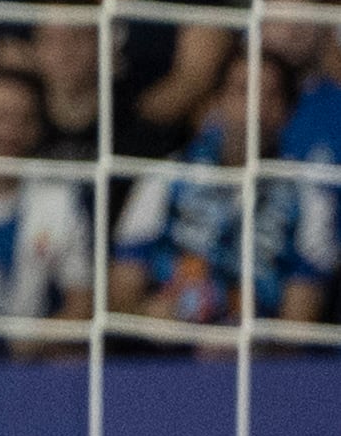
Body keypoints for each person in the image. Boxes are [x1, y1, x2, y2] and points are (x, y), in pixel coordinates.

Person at [109, 51, 334, 334]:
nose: (256, 106)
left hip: (262, 366)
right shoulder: (167, 177)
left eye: (271, 95)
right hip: (163, 358)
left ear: (288, 111)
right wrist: (147, 316)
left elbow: (300, 321)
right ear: (218, 100)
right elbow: (121, 292)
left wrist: (255, 342)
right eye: (242, 91)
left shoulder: (311, 197)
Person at [0, 66, 95, 357]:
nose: (10, 132)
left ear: (37, 129)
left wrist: (21, 345)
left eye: (23, 120)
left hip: (24, 363)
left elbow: (82, 305)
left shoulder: (60, 201)